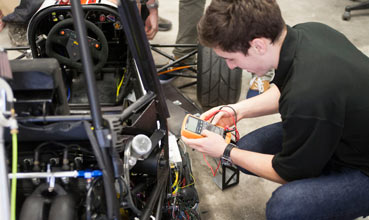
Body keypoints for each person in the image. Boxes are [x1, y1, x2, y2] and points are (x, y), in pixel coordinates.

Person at [182, 0, 369, 219]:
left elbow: (288, 172)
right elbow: (285, 88)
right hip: (340, 127)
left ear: (258, 45)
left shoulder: (306, 98)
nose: (230, 67)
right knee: (248, 147)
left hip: (361, 166)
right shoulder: (310, 31)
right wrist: (237, 110)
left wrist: (225, 151)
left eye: (231, 58)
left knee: (285, 208)